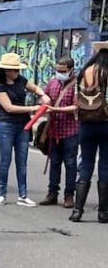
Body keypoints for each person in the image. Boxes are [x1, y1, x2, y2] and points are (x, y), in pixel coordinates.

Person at [0, 52, 50, 206]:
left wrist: (43, 94)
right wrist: (33, 108)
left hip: (23, 125)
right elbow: (9, 108)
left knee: (22, 161)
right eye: (13, 70)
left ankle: (22, 195)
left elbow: (35, 88)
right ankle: (2, 193)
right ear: (5, 70)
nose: (16, 73)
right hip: (6, 125)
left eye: (17, 70)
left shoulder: (21, 80)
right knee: (5, 160)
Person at [71, 41, 108, 223]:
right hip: (105, 123)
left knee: (85, 164)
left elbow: (78, 97)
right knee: (105, 165)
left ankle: (77, 211)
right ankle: (103, 213)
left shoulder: (85, 71)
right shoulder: (106, 72)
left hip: (86, 122)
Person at [39, 56, 79, 208]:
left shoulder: (77, 85)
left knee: (70, 164)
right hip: (54, 130)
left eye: (63, 71)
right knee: (54, 162)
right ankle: (52, 193)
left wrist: (56, 109)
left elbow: (76, 106)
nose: (59, 73)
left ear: (71, 70)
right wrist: (44, 100)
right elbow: (45, 96)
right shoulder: (52, 82)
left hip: (70, 131)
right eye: (57, 70)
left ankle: (69, 195)